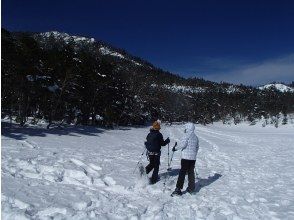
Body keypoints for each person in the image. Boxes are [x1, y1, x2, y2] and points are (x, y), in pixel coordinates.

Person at [171, 122, 199, 196]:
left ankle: (178, 190)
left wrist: (175, 148)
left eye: (185, 127)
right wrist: (193, 154)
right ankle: (191, 188)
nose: (185, 129)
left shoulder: (186, 135)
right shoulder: (195, 137)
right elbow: (197, 147)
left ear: (188, 128)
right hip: (193, 158)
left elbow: (183, 145)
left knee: (182, 172)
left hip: (186, 158)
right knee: (191, 172)